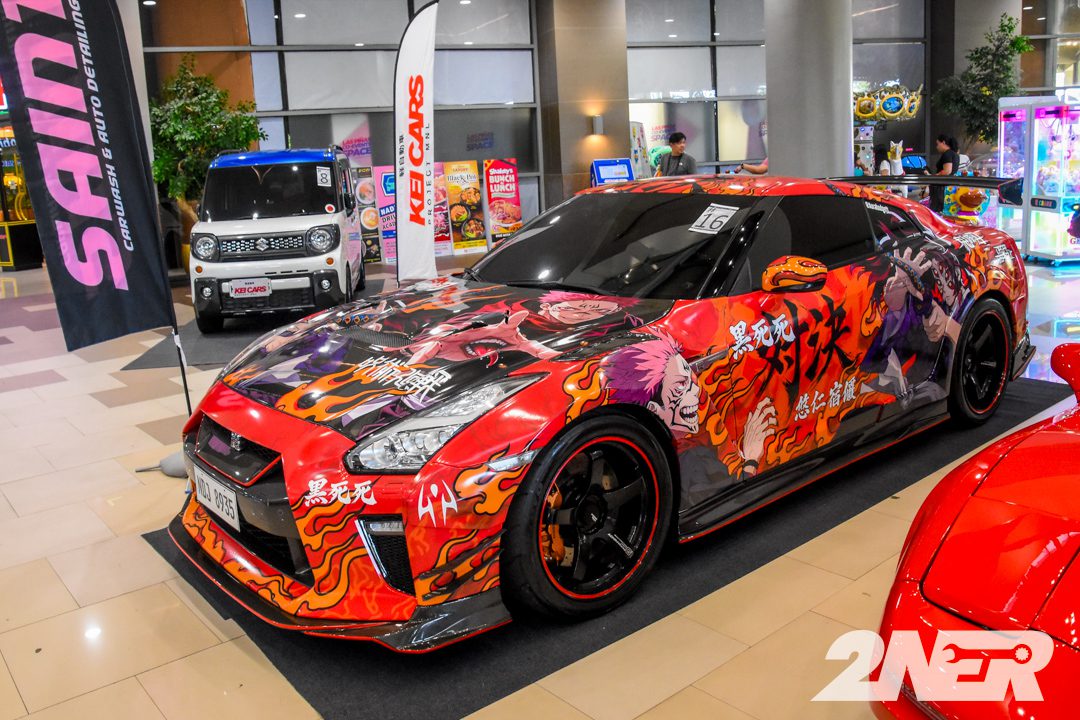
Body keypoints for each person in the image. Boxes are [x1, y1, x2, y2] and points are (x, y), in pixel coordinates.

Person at [929, 134, 959, 212]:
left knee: (937, 211)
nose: (937, 147)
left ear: (943, 142)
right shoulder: (954, 154)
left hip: (941, 189)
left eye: (937, 144)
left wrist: (933, 176)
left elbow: (947, 171)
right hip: (950, 188)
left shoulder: (947, 154)